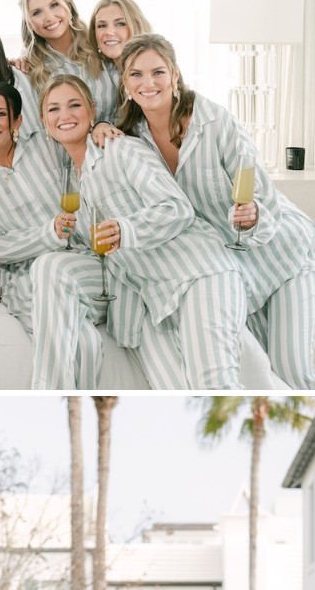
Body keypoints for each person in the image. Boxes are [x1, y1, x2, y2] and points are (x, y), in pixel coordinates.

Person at [117, 33, 315, 389]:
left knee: (294, 372)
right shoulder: (131, 136)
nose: (148, 83)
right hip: (233, 265)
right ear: (125, 83)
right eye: (136, 74)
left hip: (284, 252)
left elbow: (259, 188)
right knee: (263, 371)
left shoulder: (213, 122)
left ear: (175, 75)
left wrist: (255, 213)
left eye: (158, 72)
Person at [37, 74, 249, 390]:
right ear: (44, 121)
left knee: (213, 384)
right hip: (150, 299)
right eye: (53, 109)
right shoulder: (70, 186)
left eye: (74, 105)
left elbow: (176, 207)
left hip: (199, 272)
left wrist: (126, 229)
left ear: (92, 111)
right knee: (171, 393)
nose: (64, 116)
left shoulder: (122, 150)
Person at [0, 81, 146, 391]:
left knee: (79, 327)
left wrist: (100, 126)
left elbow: (75, 136)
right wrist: (49, 234)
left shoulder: (45, 147)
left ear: (17, 121)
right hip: (27, 281)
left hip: (82, 266)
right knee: (84, 343)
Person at [86, 0, 152, 126]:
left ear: (136, 26)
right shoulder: (105, 72)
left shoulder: (154, 67)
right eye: (101, 26)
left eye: (120, 24)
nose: (109, 32)